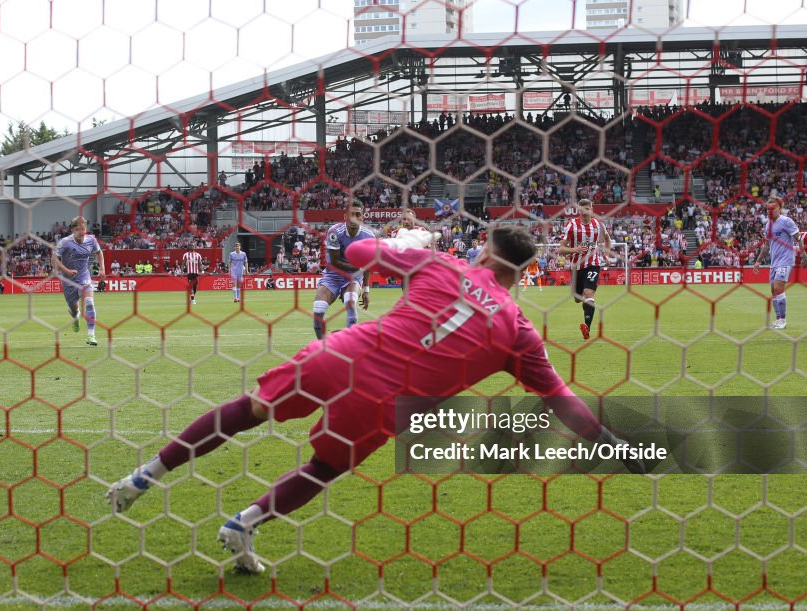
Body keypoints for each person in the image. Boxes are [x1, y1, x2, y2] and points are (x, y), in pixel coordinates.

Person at [106, 225, 646, 574]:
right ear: (522, 272)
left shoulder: (440, 264)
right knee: (323, 467)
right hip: (384, 402)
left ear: (483, 249)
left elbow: (355, 252)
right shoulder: (518, 330)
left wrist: (403, 244)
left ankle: (143, 475)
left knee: (248, 411)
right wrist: (612, 443)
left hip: (341, 353)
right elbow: (561, 400)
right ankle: (243, 523)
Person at [312, 199, 375, 339]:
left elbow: (369, 265)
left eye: (357, 214)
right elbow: (335, 262)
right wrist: (360, 267)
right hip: (332, 276)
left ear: (362, 216)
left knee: (351, 302)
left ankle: (349, 346)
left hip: (354, 277)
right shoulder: (335, 232)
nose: (354, 218)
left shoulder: (369, 236)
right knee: (318, 311)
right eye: (351, 214)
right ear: (345, 216)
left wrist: (366, 290)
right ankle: (324, 346)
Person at [558, 198, 612, 340]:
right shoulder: (571, 226)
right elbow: (561, 250)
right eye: (581, 210)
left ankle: (587, 327)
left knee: (589, 293)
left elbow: (607, 239)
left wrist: (606, 254)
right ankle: (586, 307)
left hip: (593, 264)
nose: (584, 212)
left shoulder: (598, 225)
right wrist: (574, 249)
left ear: (591, 209)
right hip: (576, 266)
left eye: (587, 209)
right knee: (578, 298)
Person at [53, 216, 105, 346]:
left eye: (83, 229)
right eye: (77, 229)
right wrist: (66, 270)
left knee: (89, 302)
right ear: (72, 230)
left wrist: (102, 268)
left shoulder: (91, 240)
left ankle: (91, 335)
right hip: (68, 282)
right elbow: (54, 259)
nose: (81, 232)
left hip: (84, 277)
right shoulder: (64, 242)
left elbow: (99, 253)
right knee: (74, 310)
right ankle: (76, 317)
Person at [753, 196, 802, 329]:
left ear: (780, 208)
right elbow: (767, 246)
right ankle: (778, 319)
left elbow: (799, 238)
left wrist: (803, 254)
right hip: (774, 262)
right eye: (768, 209)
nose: (770, 211)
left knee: (778, 287)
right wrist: (758, 261)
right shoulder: (768, 225)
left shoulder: (786, 221)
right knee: (773, 290)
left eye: (773, 208)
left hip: (786, 260)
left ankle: (783, 320)